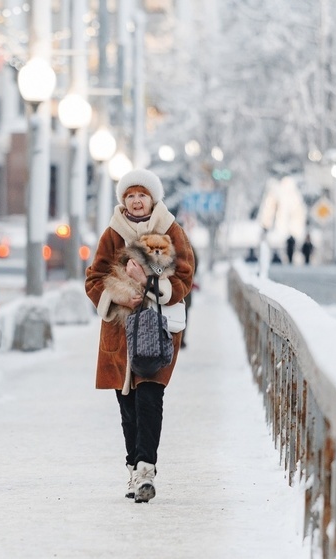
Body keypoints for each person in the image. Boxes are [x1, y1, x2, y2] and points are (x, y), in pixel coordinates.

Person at [84, 169, 194, 504]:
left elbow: (184, 276)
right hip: (120, 330)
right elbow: (94, 278)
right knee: (127, 405)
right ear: (123, 200)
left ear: (152, 198)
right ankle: (133, 466)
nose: (136, 200)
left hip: (156, 328)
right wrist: (116, 296)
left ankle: (147, 467)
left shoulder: (170, 230)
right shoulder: (112, 233)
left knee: (150, 398)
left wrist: (148, 278)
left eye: (141, 195)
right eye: (130, 195)